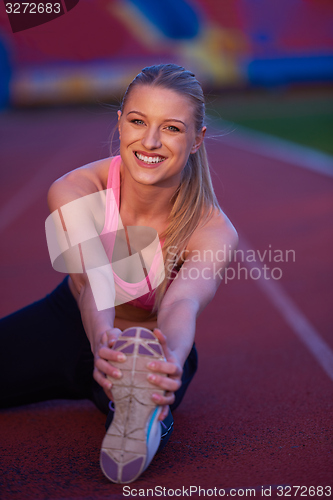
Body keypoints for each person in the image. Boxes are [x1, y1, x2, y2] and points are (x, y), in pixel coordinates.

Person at [0, 64, 238, 483]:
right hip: (71, 322)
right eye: (138, 121)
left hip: (147, 349)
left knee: (146, 383)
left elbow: (183, 301)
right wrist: (101, 342)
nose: (150, 141)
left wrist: (172, 360)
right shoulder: (75, 190)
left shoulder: (213, 231)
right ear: (120, 122)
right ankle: (130, 394)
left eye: (171, 128)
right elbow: (95, 279)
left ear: (197, 140)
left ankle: (143, 411)